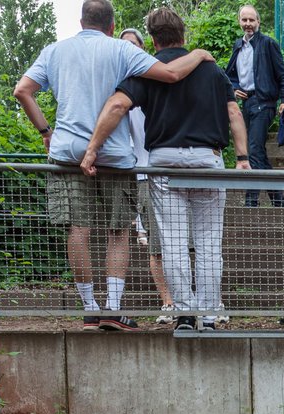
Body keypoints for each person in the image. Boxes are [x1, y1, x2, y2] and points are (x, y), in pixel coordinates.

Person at [13, 0, 215, 332]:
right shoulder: (121, 50)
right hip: (114, 155)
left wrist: (46, 132)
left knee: (78, 230)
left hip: (67, 152)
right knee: (118, 231)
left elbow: (22, 91)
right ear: (111, 25)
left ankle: (90, 310)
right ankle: (113, 308)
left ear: (81, 22)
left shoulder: (54, 50)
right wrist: (199, 54)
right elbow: (170, 73)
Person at [82, 6, 249, 333]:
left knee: (172, 243)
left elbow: (117, 105)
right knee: (208, 243)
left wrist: (91, 149)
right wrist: (242, 156)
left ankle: (185, 316)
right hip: (207, 160)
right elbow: (234, 114)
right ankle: (210, 317)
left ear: (154, 40)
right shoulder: (214, 72)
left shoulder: (148, 70)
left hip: (164, 162)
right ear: (183, 34)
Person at [118, 27, 174, 323]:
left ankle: (187, 300)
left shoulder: (156, 81)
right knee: (156, 244)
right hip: (139, 173)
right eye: (123, 45)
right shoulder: (118, 88)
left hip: (168, 169)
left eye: (134, 45)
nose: (128, 50)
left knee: (177, 241)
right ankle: (168, 302)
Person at [226, 4, 284, 207]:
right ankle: (278, 201)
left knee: (253, 150)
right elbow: (229, 75)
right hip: (246, 103)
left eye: (251, 20)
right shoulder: (238, 45)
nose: (248, 24)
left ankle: (251, 202)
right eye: (244, 20)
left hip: (264, 103)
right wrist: (234, 88)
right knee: (255, 151)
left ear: (258, 22)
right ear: (239, 22)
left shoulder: (268, 44)